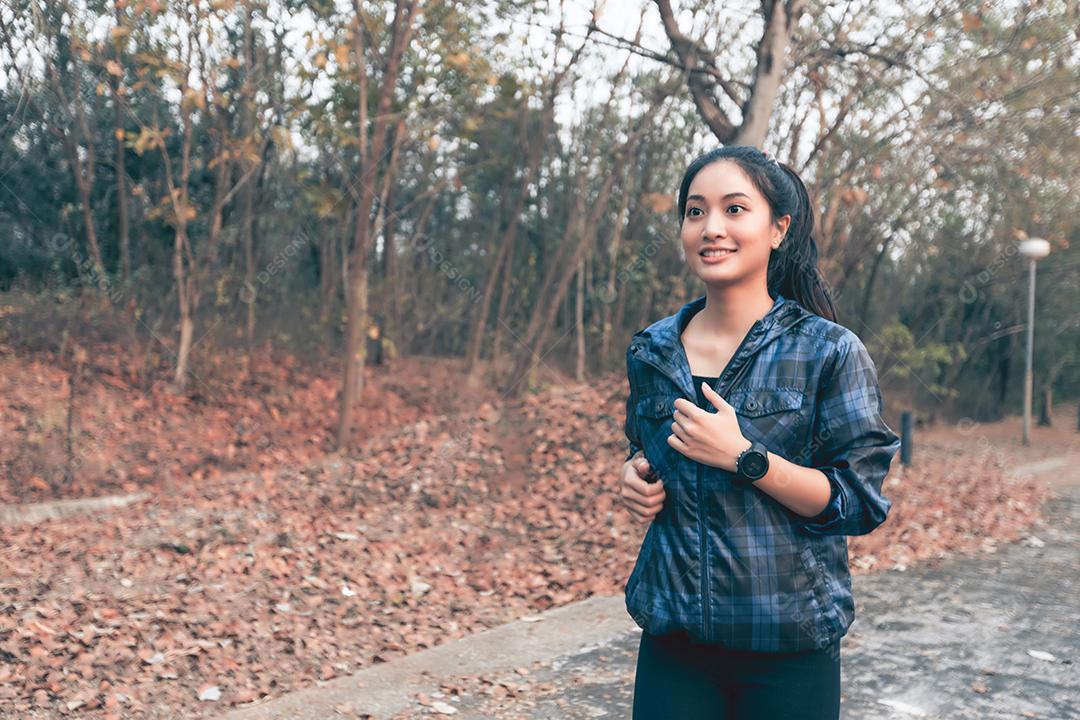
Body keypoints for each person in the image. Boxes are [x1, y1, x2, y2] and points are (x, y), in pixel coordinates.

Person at [619, 145, 902, 719]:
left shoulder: (827, 350)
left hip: (787, 643)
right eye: (695, 211)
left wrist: (746, 457)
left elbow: (858, 502)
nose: (711, 228)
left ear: (778, 229)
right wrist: (636, 474)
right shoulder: (652, 349)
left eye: (734, 209)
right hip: (675, 640)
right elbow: (642, 444)